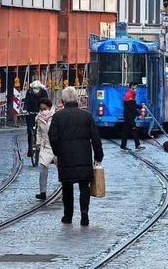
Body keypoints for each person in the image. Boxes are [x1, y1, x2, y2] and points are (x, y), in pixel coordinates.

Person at [49, 87, 103, 226]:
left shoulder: (57, 116)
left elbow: (52, 137)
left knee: (67, 187)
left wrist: (57, 152)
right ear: (77, 100)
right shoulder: (86, 115)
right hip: (84, 156)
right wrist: (98, 155)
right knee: (84, 186)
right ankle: (84, 215)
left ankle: (68, 215)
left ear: (63, 100)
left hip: (65, 157)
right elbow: (95, 137)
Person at [35, 98, 56, 200]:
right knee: (43, 168)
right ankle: (42, 192)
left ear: (49, 107)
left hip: (57, 146)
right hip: (45, 147)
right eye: (41, 109)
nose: (43, 111)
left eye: (45, 108)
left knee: (61, 168)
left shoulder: (56, 116)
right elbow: (39, 131)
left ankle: (64, 188)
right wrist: (38, 143)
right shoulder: (39, 118)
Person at [24, 80, 49, 157]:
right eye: (34, 88)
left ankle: (43, 148)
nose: (36, 89)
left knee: (43, 130)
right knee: (29, 131)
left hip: (40, 113)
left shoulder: (44, 92)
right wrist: (25, 110)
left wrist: (46, 110)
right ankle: (30, 148)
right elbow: (26, 101)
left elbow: (46, 102)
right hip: (31, 113)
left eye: (37, 88)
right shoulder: (29, 92)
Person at [121, 81, 144, 151]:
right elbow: (132, 107)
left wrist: (141, 106)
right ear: (132, 87)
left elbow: (133, 105)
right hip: (129, 117)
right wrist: (139, 114)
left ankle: (123, 146)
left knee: (126, 132)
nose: (136, 89)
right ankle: (137, 145)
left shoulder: (131, 94)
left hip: (128, 116)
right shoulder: (129, 95)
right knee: (134, 130)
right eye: (136, 87)